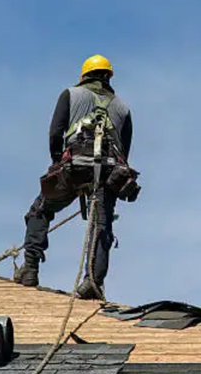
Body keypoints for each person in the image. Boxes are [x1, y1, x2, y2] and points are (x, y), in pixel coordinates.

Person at [14, 54, 139, 300]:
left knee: (39, 210)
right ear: (108, 76)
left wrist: (56, 163)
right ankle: (92, 282)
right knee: (101, 226)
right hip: (107, 175)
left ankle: (30, 269)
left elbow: (55, 134)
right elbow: (124, 153)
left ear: (84, 76)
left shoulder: (70, 94)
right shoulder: (123, 108)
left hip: (74, 167)